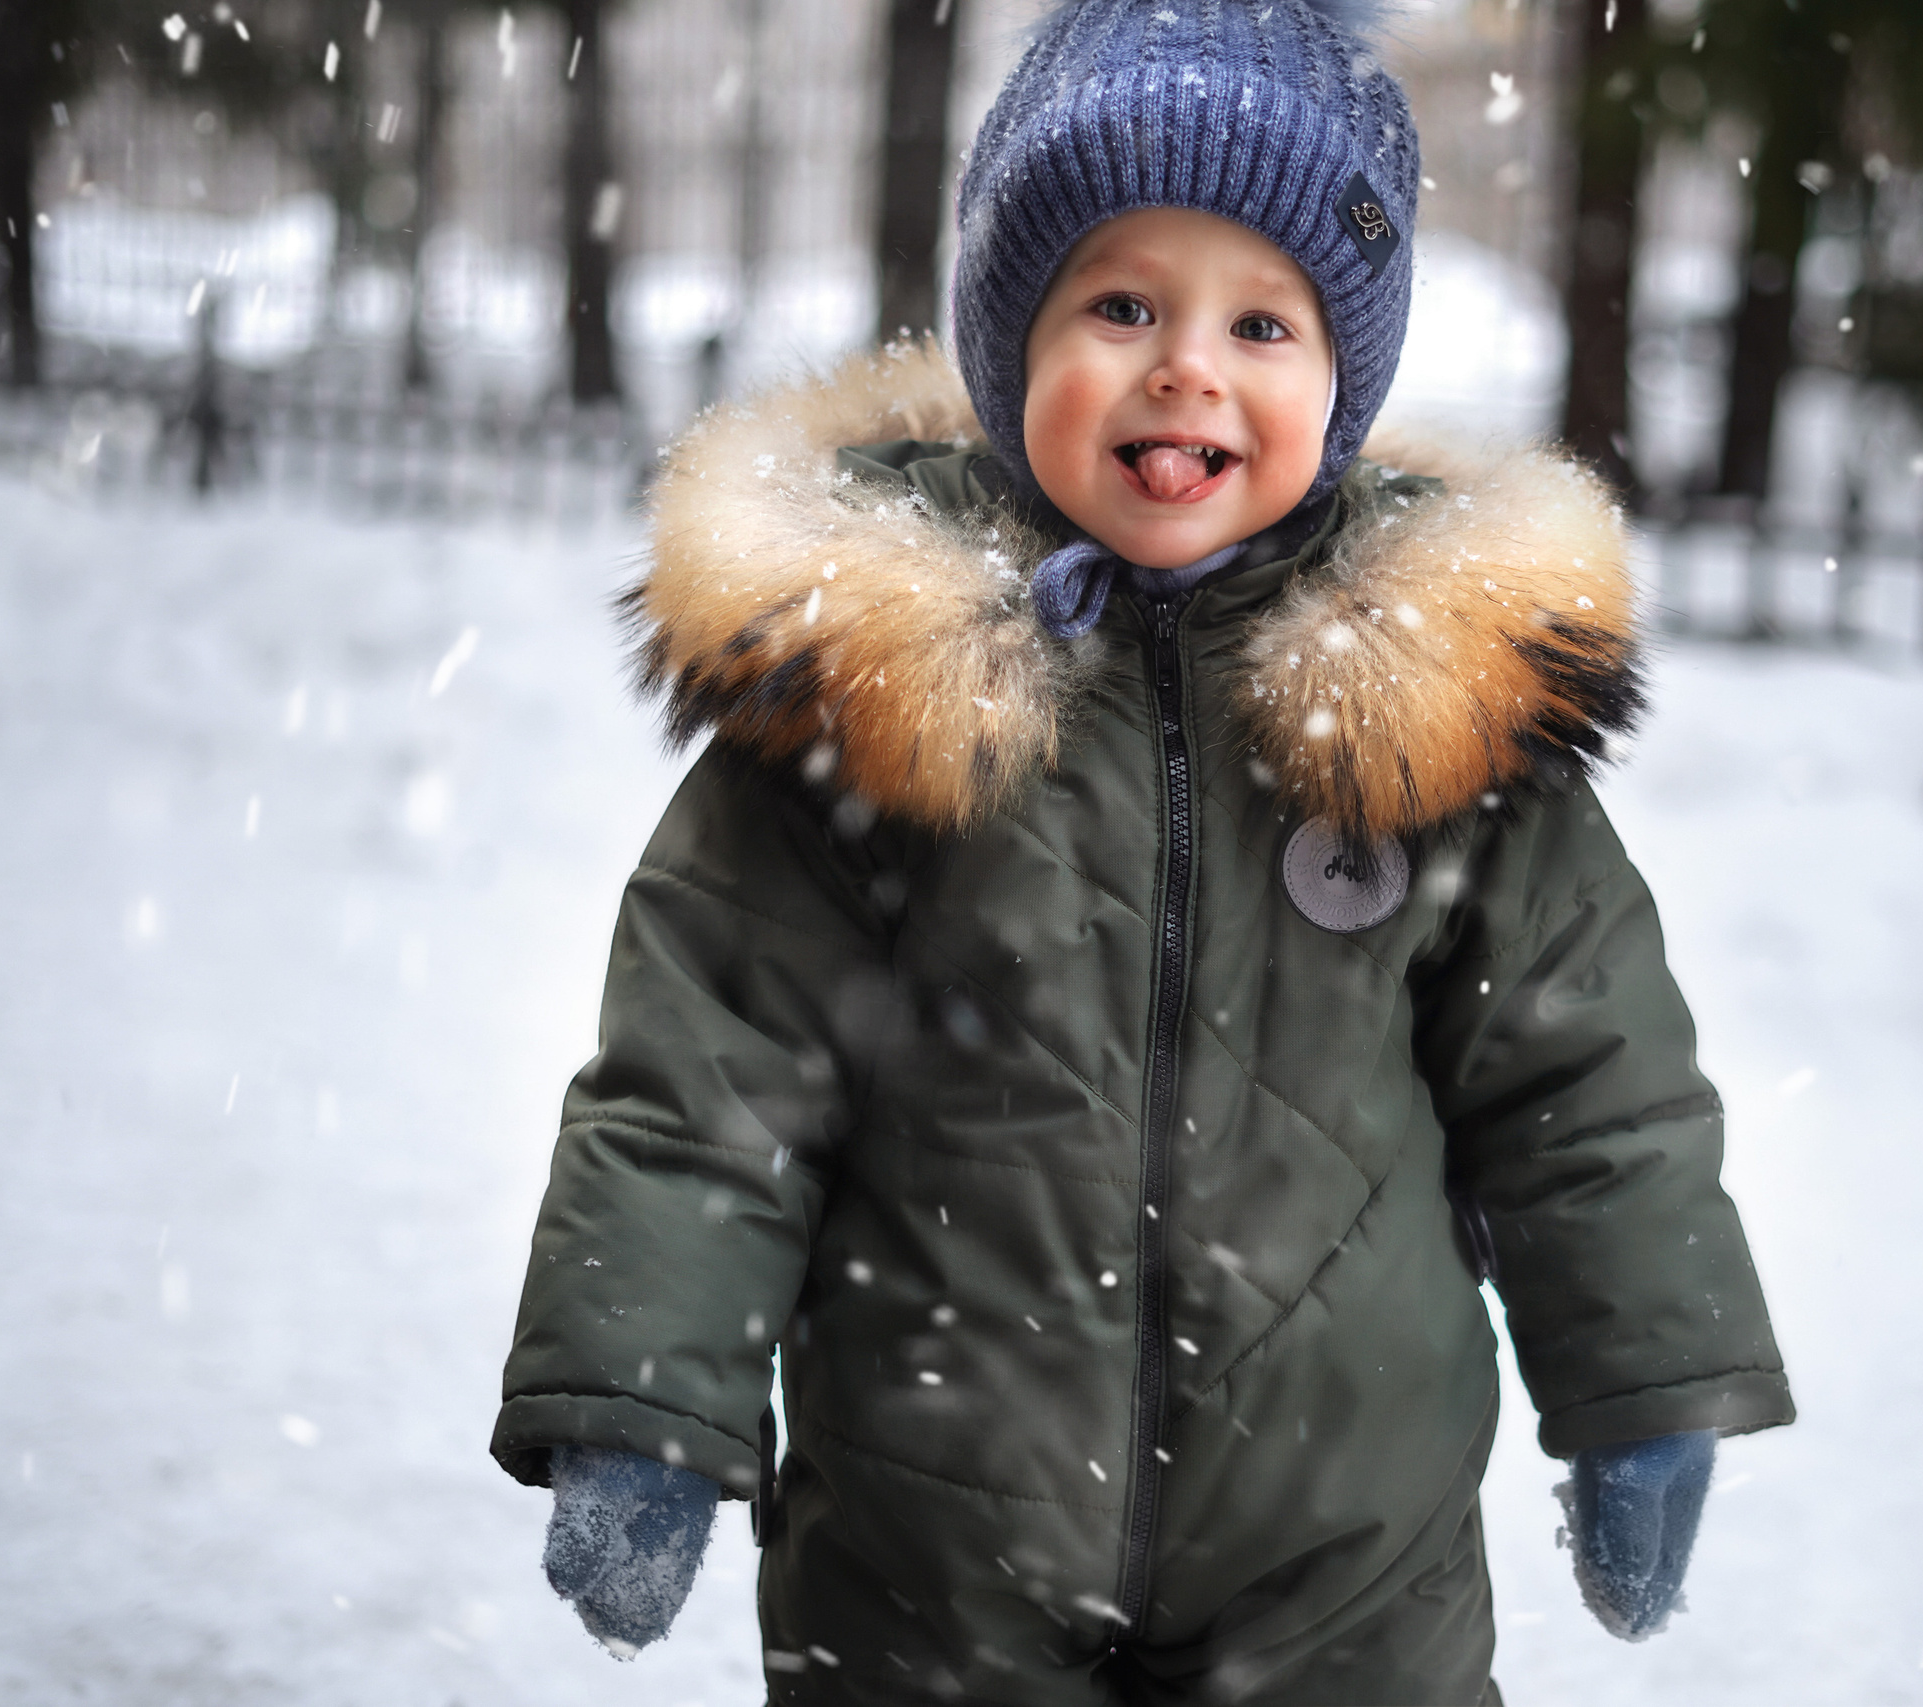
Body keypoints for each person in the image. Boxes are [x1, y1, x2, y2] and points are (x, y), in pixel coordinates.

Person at [490, 0, 1793, 1698]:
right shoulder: (868, 697)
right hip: (932, 1542)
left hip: (1352, 1562)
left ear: (1344, 381)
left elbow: (1584, 1083)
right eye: (1121, 305)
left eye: (1265, 321)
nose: (1189, 366)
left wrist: (1645, 1392)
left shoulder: (1441, 718)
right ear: (1009, 341)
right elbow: (706, 1076)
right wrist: (644, 1406)